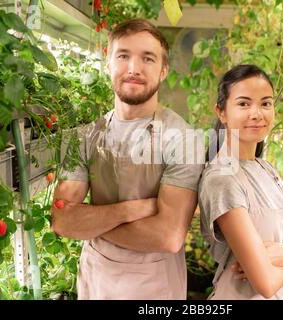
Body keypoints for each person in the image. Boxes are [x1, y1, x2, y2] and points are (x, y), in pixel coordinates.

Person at [51, 19, 203, 300]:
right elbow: (62, 221)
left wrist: (91, 222)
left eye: (148, 58)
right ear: (108, 63)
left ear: (163, 70)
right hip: (97, 281)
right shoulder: (83, 137)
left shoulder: (183, 138)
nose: (134, 69)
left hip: (155, 287)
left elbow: (168, 237)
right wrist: (134, 209)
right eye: (123, 56)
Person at [199, 64, 283, 300]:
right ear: (221, 112)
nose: (257, 113)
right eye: (244, 104)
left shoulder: (265, 168)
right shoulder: (222, 180)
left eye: (265, 103)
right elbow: (264, 283)